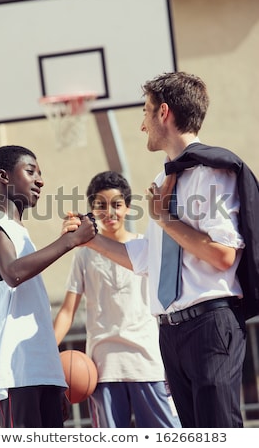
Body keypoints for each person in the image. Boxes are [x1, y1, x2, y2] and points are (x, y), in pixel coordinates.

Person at [64, 72, 259, 428]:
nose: (142, 125)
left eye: (145, 112)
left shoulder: (213, 172)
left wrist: (165, 220)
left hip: (210, 325)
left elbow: (223, 255)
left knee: (219, 433)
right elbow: (145, 258)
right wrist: (88, 237)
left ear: (163, 113)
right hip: (170, 333)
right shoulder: (162, 181)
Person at [0, 145, 97, 428]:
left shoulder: (22, 234)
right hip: (15, 374)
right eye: (31, 171)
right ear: (3, 176)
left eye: (40, 173)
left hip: (41, 373)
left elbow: (35, 316)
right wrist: (70, 242)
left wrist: (54, 376)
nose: (40, 180)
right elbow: (13, 273)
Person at [54, 171, 181, 428]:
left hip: (147, 361)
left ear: (128, 208)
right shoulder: (84, 255)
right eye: (100, 205)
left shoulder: (144, 247)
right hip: (103, 366)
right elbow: (67, 312)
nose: (109, 212)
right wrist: (45, 353)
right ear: (91, 210)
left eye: (117, 205)